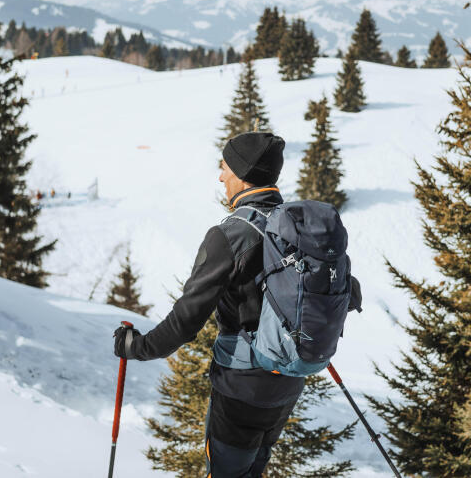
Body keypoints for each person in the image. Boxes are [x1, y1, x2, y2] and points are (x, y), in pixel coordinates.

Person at [116, 132, 350, 476]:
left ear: (242, 174)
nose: (221, 176)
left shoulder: (230, 234)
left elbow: (185, 320)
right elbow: (346, 294)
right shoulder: (299, 230)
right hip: (288, 381)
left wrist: (136, 347)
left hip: (241, 384)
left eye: (225, 167)